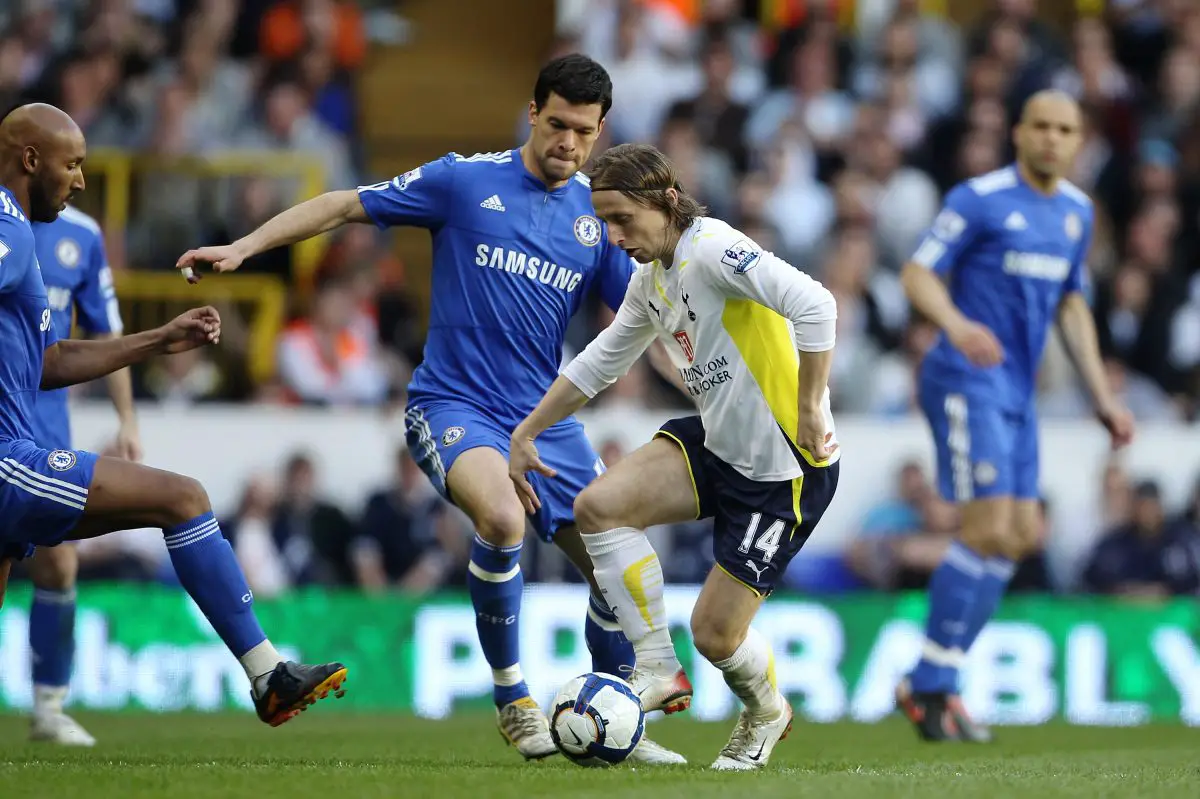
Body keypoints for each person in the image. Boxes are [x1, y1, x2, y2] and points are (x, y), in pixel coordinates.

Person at [174, 55, 682, 765]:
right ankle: (515, 701)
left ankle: (618, 720)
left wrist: (706, 384)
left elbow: (646, 320)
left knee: (616, 563)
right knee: (503, 517)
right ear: (533, 114)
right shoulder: (463, 180)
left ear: (600, 134)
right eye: (558, 125)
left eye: (585, 133)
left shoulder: (596, 219)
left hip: (543, 422)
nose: (569, 143)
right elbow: (346, 204)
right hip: (455, 406)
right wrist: (246, 246)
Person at [0, 102, 347, 728]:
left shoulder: (29, 231)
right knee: (182, 498)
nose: (81, 180)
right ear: (30, 160)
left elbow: (50, 361)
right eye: (72, 164)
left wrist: (158, 340)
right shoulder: (8, 226)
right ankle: (269, 674)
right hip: (6, 457)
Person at [507, 142, 841, 771]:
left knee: (715, 635)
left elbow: (816, 303)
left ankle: (766, 710)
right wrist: (526, 432)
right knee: (598, 506)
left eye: (622, 219)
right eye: (604, 222)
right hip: (720, 443)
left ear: (664, 201)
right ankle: (657, 667)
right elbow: (600, 361)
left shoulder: (711, 248)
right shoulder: (651, 279)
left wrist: (812, 402)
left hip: (784, 467)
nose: (613, 236)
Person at [895, 89, 1135, 742]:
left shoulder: (1078, 213)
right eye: (1042, 126)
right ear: (1020, 132)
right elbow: (917, 273)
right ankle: (933, 686)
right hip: (965, 376)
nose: (1053, 138)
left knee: (1020, 533)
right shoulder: (979, 197)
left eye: (1066, 129)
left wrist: (1102, 396)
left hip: (1019, 390)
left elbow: (1072, 304)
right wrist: (957, 323)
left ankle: (933, 680)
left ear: (1079, 140)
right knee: (986, 525)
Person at [22, 201, 137, 745]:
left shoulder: (83, 236)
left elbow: (106, 334)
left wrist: (128, 418)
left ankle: (48, 707)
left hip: (46, 435)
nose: (79, 178)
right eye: (70, 162)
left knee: (59, 566)